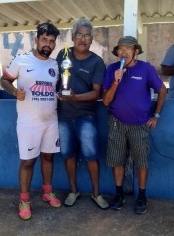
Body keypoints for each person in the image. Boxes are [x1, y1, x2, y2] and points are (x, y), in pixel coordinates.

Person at [0, 23, 61, 220]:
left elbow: (57, 88)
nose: (48, 44)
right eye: (44, 39)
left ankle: (47, 192)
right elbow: (4, 80)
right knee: (27, 162)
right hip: (28, 123)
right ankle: (24, 200)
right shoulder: (21, 60)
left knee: (48, 158)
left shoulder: (55, 65)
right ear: (36, 40)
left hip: (51, 121)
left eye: (51, 41)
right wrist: (14, 92)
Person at [103, 36, 167, 214]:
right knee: (117, 160)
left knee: (141, 161)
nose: (123, 53)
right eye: (120, 50)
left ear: (136, 52)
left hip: (140, 124)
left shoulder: (146, 69)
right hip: (116, 123)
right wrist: (116, 81)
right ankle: (119, 194)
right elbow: (106, 102)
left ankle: (141, 196)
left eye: (127, 49)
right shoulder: (112, 69)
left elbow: (162, 90)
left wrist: (156, 115)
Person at [55, 18, 109, 210]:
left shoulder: (96, 61)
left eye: (87, 36)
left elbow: (97, 93)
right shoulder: (63, 55)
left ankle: (96, 194)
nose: (83, 39)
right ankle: (73, 191)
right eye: (80, 35)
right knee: (68, 155)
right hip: (63, 117)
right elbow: (54, 80)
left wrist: (74, 98)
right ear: (72, 36)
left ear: (92, 39)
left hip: (86, 117)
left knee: (91, 156)